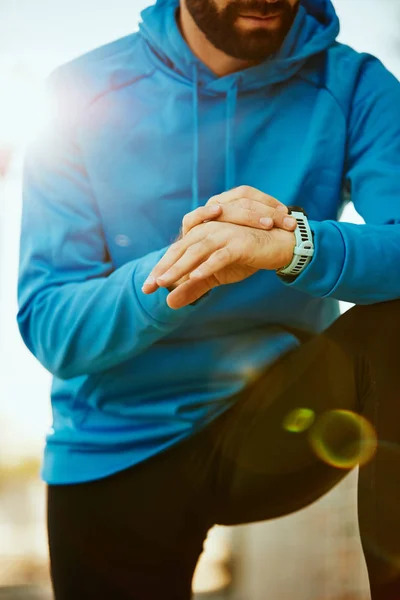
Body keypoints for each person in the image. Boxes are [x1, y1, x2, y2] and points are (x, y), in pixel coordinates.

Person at [17, 0, 400, 597]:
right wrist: (191, 264)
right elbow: (52, 330)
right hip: (117, 445)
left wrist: (292, 247)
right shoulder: (80, 93)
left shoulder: (354, 84)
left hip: (279, 414)